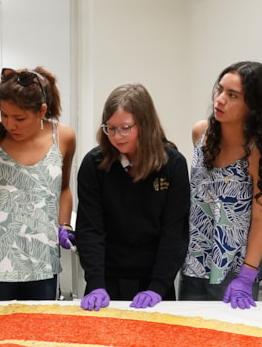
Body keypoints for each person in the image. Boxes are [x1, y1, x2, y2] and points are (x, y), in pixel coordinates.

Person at [0, 67, 76, 307]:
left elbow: (63, 190)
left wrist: (64, 224)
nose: (10, 124)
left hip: (42, 264)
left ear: (41, 111)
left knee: (38, 336)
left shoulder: (64, 138)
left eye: (19, 118)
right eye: (4, 115)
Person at [76, 83, 189, 311]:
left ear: (145, 125)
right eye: (111, 128)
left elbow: (174, 233)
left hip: (155, 281)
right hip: (106, 280)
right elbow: (90, 229)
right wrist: (96, 284)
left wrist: (158, 287)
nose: (117, 136)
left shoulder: (173, 165)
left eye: (125, 128)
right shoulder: (94, 165)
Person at [179, 61, 262, 309]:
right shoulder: (200, 133)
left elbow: (261, 219)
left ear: (253, 106)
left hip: (234, 269)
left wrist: (246, 277)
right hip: (194, 260)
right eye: (220, 89)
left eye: (232, 95)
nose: (220, 99)